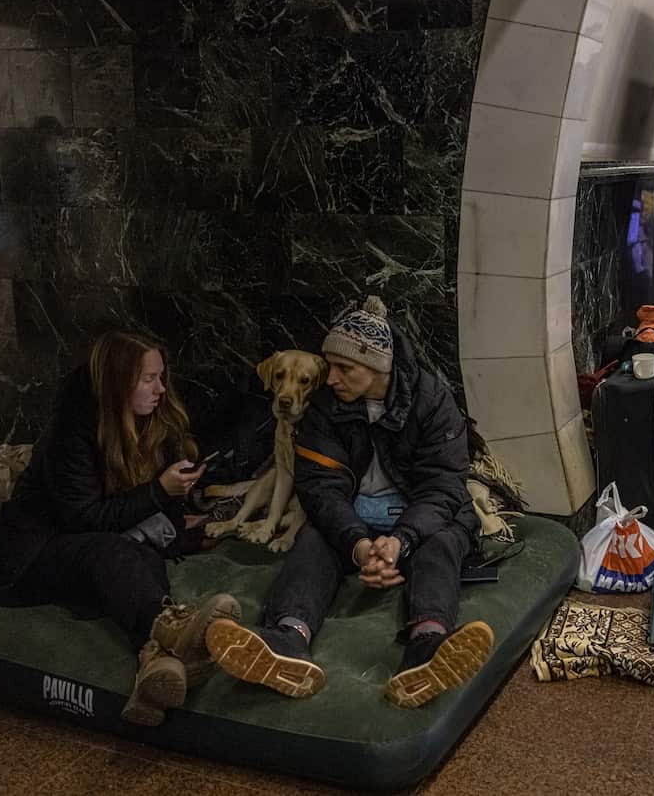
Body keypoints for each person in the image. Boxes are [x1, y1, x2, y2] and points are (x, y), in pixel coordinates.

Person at [0, 331, 242, 727]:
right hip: (32, 552)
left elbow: (132, 510)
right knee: (113, 552)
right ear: (117, 383)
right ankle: (172, 631)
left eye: (162, 377)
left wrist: (183, 513)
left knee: (142, 556)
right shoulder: (71, 430)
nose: (161, 388)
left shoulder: (146, 419)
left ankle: (157, 662)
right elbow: (85, 519)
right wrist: (159, 490)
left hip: (92, 543)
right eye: (149, 379)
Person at [204, 296, 493, 709]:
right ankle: (287, 638)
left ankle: (427, 647)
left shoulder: (431, 400)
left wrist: (401, 541)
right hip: (354, 516)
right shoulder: (324, 405)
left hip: (416, 516)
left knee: (442, 542)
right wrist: (358, 545)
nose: (331, 378)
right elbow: (319, 488)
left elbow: (443, 486)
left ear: (377, 367)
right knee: (313, 537)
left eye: (344, 369)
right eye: (330, 366)